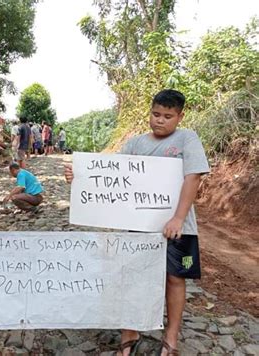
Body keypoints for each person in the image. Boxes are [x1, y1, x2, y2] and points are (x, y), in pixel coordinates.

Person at [64, 89, 209, 356]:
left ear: (180, 116)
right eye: (155, 114)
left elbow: (193, 177)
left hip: (178, 227)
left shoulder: (187, 139)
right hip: (137, 228)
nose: (160, 120)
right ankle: (130, 332)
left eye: (167, 116)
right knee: (133, 277)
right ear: (149, 112)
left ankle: (171, 335)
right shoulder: (135, 144)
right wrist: (80, 176)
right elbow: (109, 176)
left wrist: (177, 217)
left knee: (175, 278)